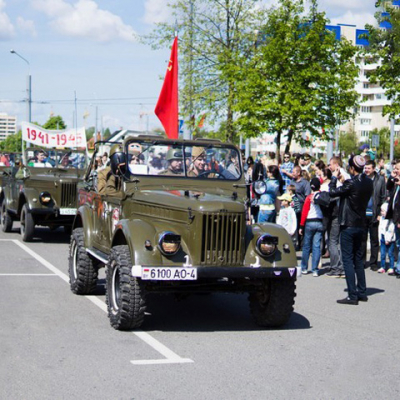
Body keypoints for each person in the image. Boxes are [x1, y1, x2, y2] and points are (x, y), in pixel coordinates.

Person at [318, 155, 373, 304]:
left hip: (348, 224)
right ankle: (362, 292)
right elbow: (353, 192)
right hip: (361, 224)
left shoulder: (351, 183)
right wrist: (344, 182)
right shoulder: (368, 182)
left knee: (348, 259)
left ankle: (352, 295)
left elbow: (332, 192)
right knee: (358, 259)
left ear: (351, 168)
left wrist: (335, 179)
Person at [361, 159, 386, 271]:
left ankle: (373, 262)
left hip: (374, 213)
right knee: (362, 238)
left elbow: (383, 196)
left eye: (368, 168)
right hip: (362, 213)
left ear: (373, 169)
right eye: (365, 168)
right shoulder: (362, 178)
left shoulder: (380, 180)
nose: (366, 170)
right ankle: (362, 261)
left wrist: (380, 213)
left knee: (374, 239)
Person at [299, 178, 324, 276]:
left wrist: (301, 225)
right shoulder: (322, 196)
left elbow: (304, 212)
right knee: (316, 246)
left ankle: (304, 268)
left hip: (309, 221)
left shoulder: (309, 197)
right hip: (319, 221)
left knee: (306, 246)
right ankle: (315, 270)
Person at [290, 165, 311, 250]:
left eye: (294, 172)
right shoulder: (292, 182)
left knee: (302, 224)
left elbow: (307, 195)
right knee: (295, 224)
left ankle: (303, 244)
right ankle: (296, 243)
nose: (292, 173)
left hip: (302, 204)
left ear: (299, 173)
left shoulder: (305, 183)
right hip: (294, 203)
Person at [386, 160, 400, 279]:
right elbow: (388, 187)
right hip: (394, 217)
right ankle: (398, 266)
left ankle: (399, 268)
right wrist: (392, 176)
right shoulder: (395, 182)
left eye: (397, 169)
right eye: (395, 168)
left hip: (399, 218)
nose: (396, 171)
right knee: (398, 243)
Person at [377, 203, 396, 274]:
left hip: (389, 239)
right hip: (382, 238)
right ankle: (382, 267)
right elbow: (380, 228)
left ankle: (391, 267)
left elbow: (390, 230)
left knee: (390, 254)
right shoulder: (382, 218)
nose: (382, 213)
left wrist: (388, 239)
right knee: (382, 253)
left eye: (383, 211)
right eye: (381, 211)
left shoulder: (390, 220)